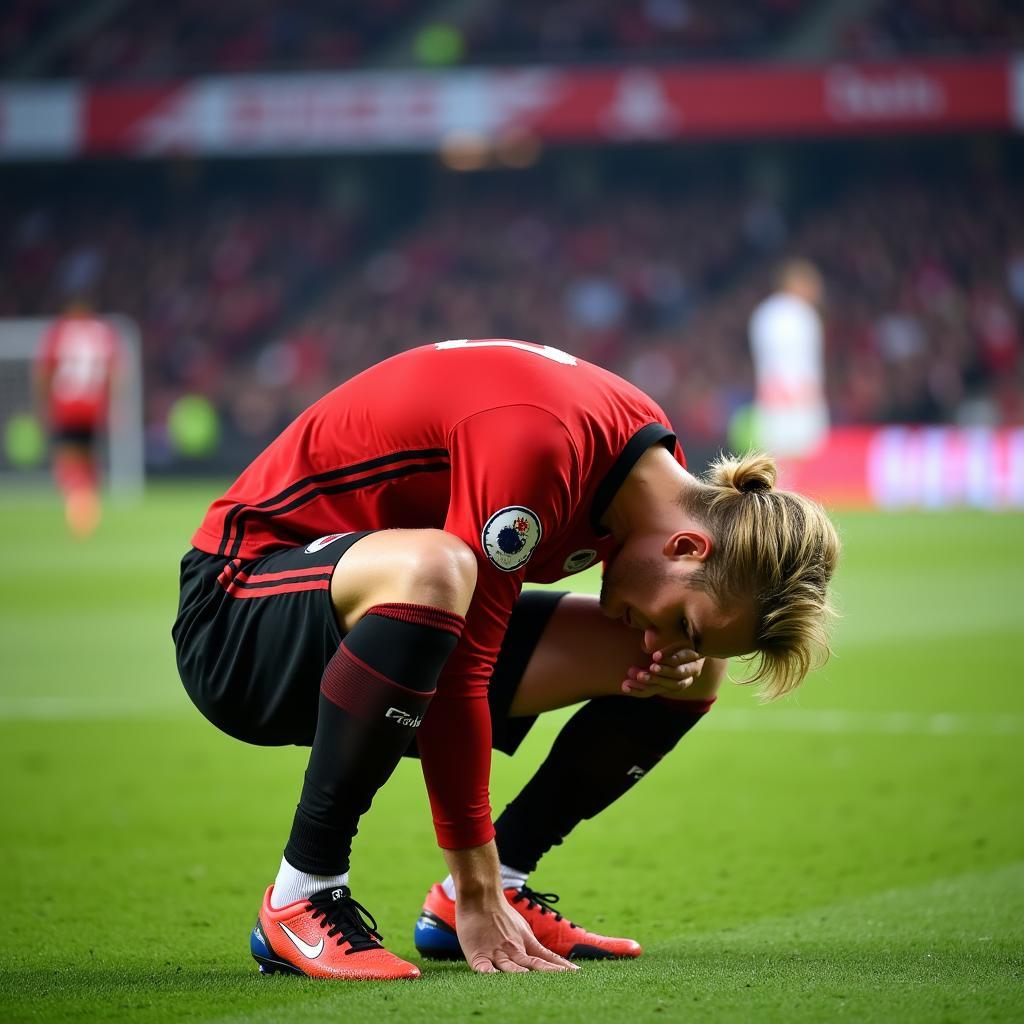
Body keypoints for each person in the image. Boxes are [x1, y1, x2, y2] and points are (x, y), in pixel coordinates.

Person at [173, 338, 839, 981]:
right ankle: (304, 893)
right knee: (439, 568)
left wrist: (677, 662)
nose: (666, 644)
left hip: (382, 630)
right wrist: (473, 877)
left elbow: (469, 645)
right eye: (684, 626)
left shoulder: (648, 469)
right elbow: (462, 664)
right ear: (689, 548)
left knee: (696, 676)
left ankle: (509, 884)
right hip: (239, 614)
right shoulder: (542, 447)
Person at [34, 301, 120, 538]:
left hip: (67, 406)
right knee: (87, 459)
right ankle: (87, 505)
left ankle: (80, 509)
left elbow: (44, 373)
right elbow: (114, 372)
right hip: (94, 407)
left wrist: (43, 405)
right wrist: (114, 405)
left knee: (68, 460)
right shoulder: (103, 331)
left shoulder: (60, 330)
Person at [748, 260, 829, 459]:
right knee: (803, 471)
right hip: (799, 403)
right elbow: (802, 366)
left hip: (770, 402)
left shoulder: (764, 313)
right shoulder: (802, 314)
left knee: (779, 470)